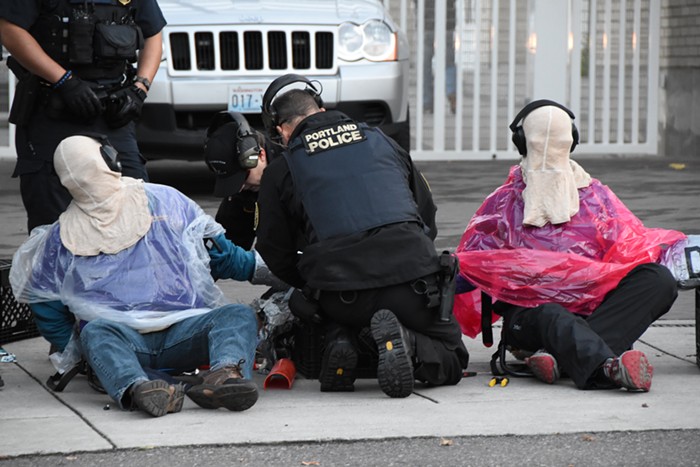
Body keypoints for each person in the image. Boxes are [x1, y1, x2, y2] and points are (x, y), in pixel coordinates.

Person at [9, 135, 273, 417]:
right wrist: (289, 276)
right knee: (237, 316)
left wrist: (79, 356)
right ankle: (223, 372)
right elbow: (224, 257)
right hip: (184, 332)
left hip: (125, 344)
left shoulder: (59, 239)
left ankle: (137, 385)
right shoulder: (167, 200)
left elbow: (46, 309)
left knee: (95, 333)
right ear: (111, 160)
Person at [254, 74, 470, 398]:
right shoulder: (382, 140)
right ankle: (408, 344)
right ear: (320, 107)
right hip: (412, 284)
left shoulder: (282, 168)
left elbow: (274, 250)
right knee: (453, 358)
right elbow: (426, 213)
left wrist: (310, 283)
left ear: (281, 130)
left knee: (311, 306)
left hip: (341, 296)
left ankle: (344, 339)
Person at [453, 100, 686, 391]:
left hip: (592, 309)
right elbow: (468, 268)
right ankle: (606, 369)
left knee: (659, 280)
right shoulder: (503, 203)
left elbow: (631, 247)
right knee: (553, 313)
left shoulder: (596, 196)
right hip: (533, 315)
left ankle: (562, 359)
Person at [0, 0, 165, 232]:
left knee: (137, 208)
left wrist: (140, 87)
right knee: (52, 225)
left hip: (113, 112)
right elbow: (10, 29)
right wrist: (64, 81)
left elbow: (153, 34)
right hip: (52, 110)